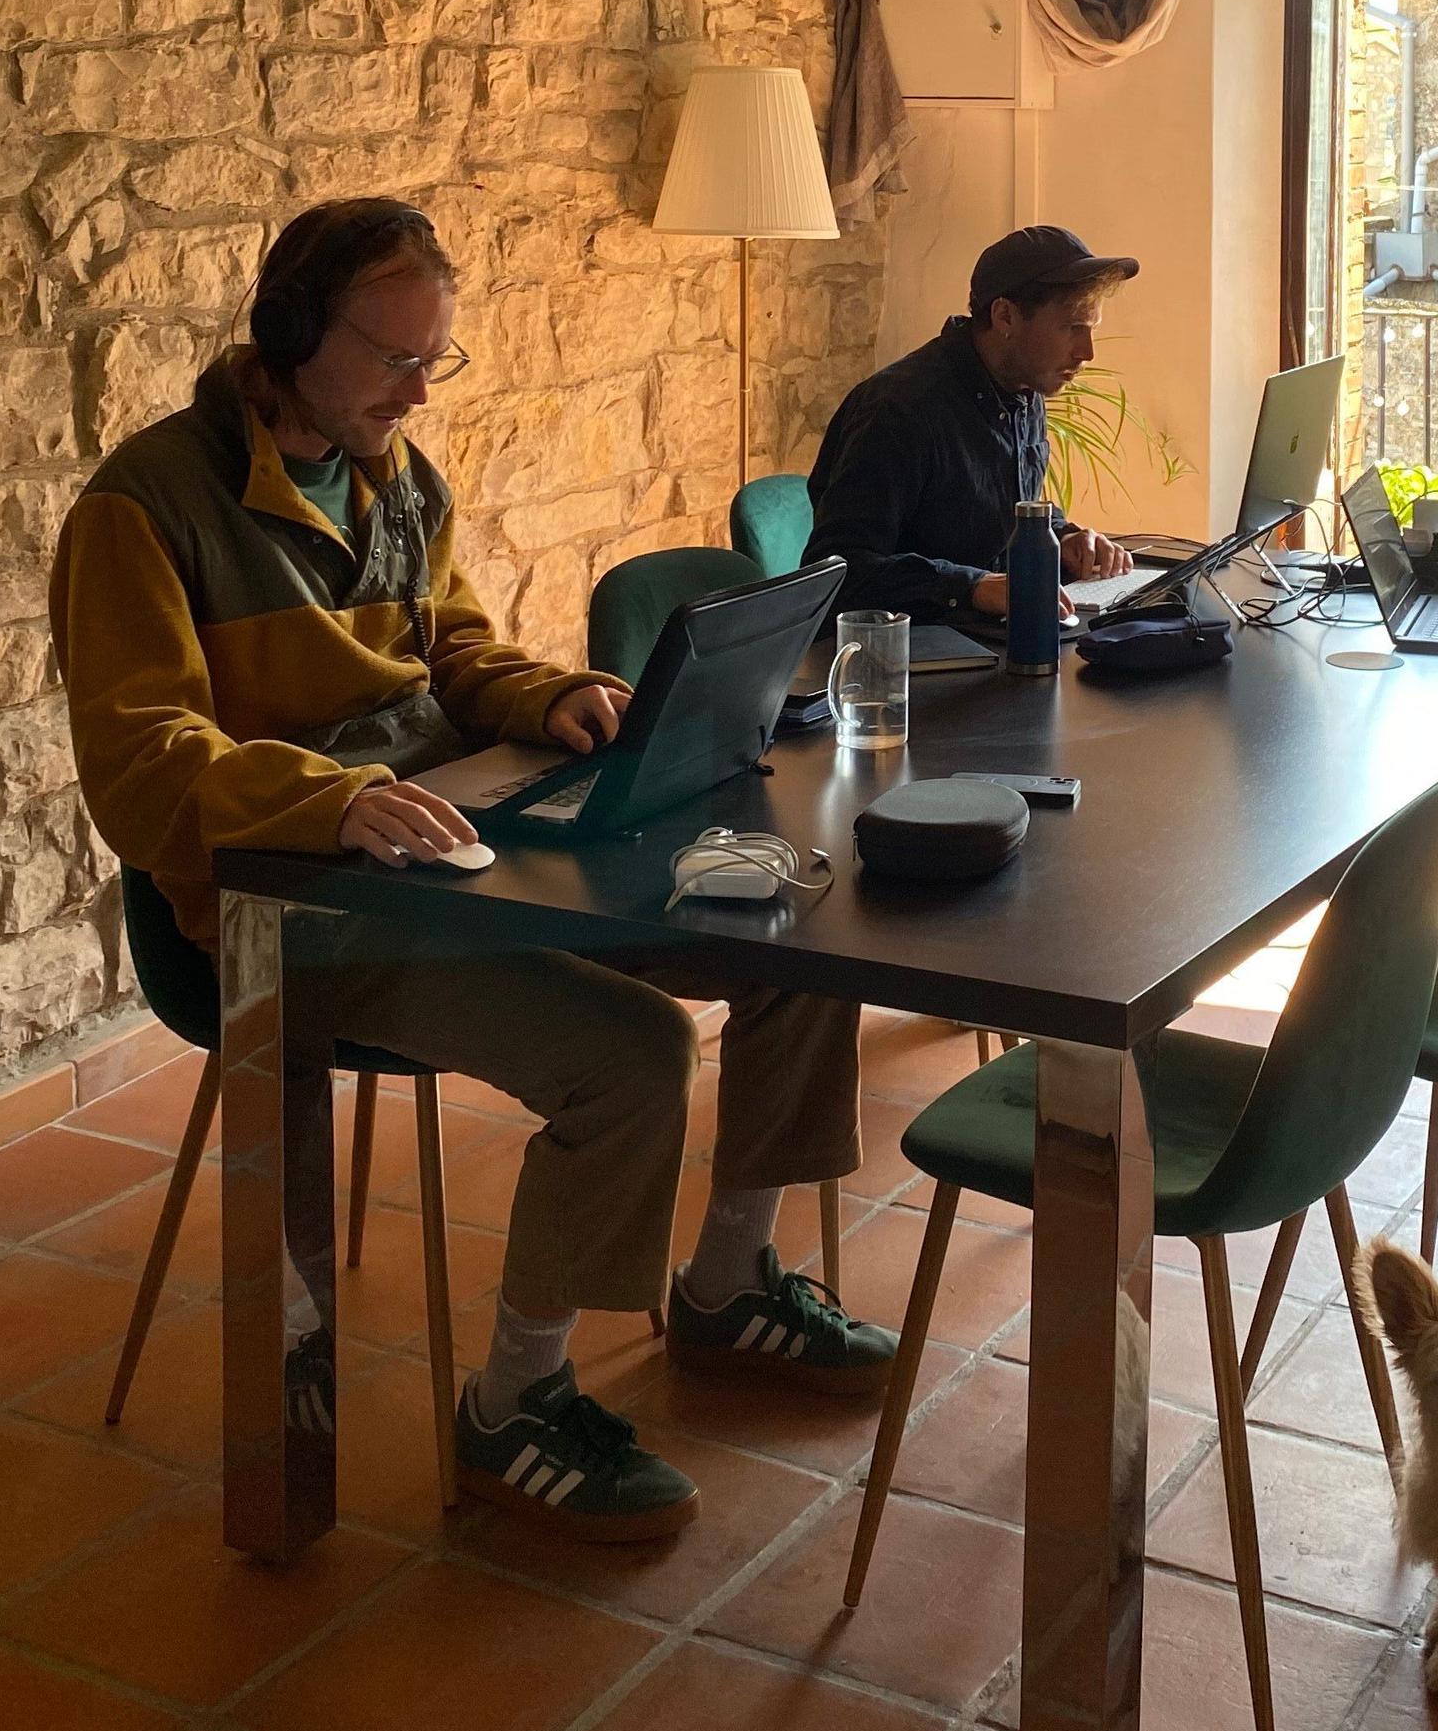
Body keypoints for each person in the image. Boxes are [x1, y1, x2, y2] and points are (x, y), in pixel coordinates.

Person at [51, 196, 893, 1545]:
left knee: (789, 935)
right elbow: (143, 764)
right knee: (628, 1052)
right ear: (288, 333)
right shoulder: (145, 509)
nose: (420, 386)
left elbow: (456, 654)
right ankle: (515, 1406)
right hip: (295, 898)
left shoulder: (398, 476)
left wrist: (553, 697)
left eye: (435, 357)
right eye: (396, 358)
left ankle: (730, 1281)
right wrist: (334, 799)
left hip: (449, 842)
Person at [807, 224, 1141, 623]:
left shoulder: (1025, 389)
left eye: (1092, 330)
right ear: (1005, 317)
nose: (1087, 352)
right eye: (1073, 328)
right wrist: (971, 588)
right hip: (908, 660)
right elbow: (837, 572)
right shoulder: (898, 410)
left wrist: (1065, 536)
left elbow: (999, 508)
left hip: (987, 644)